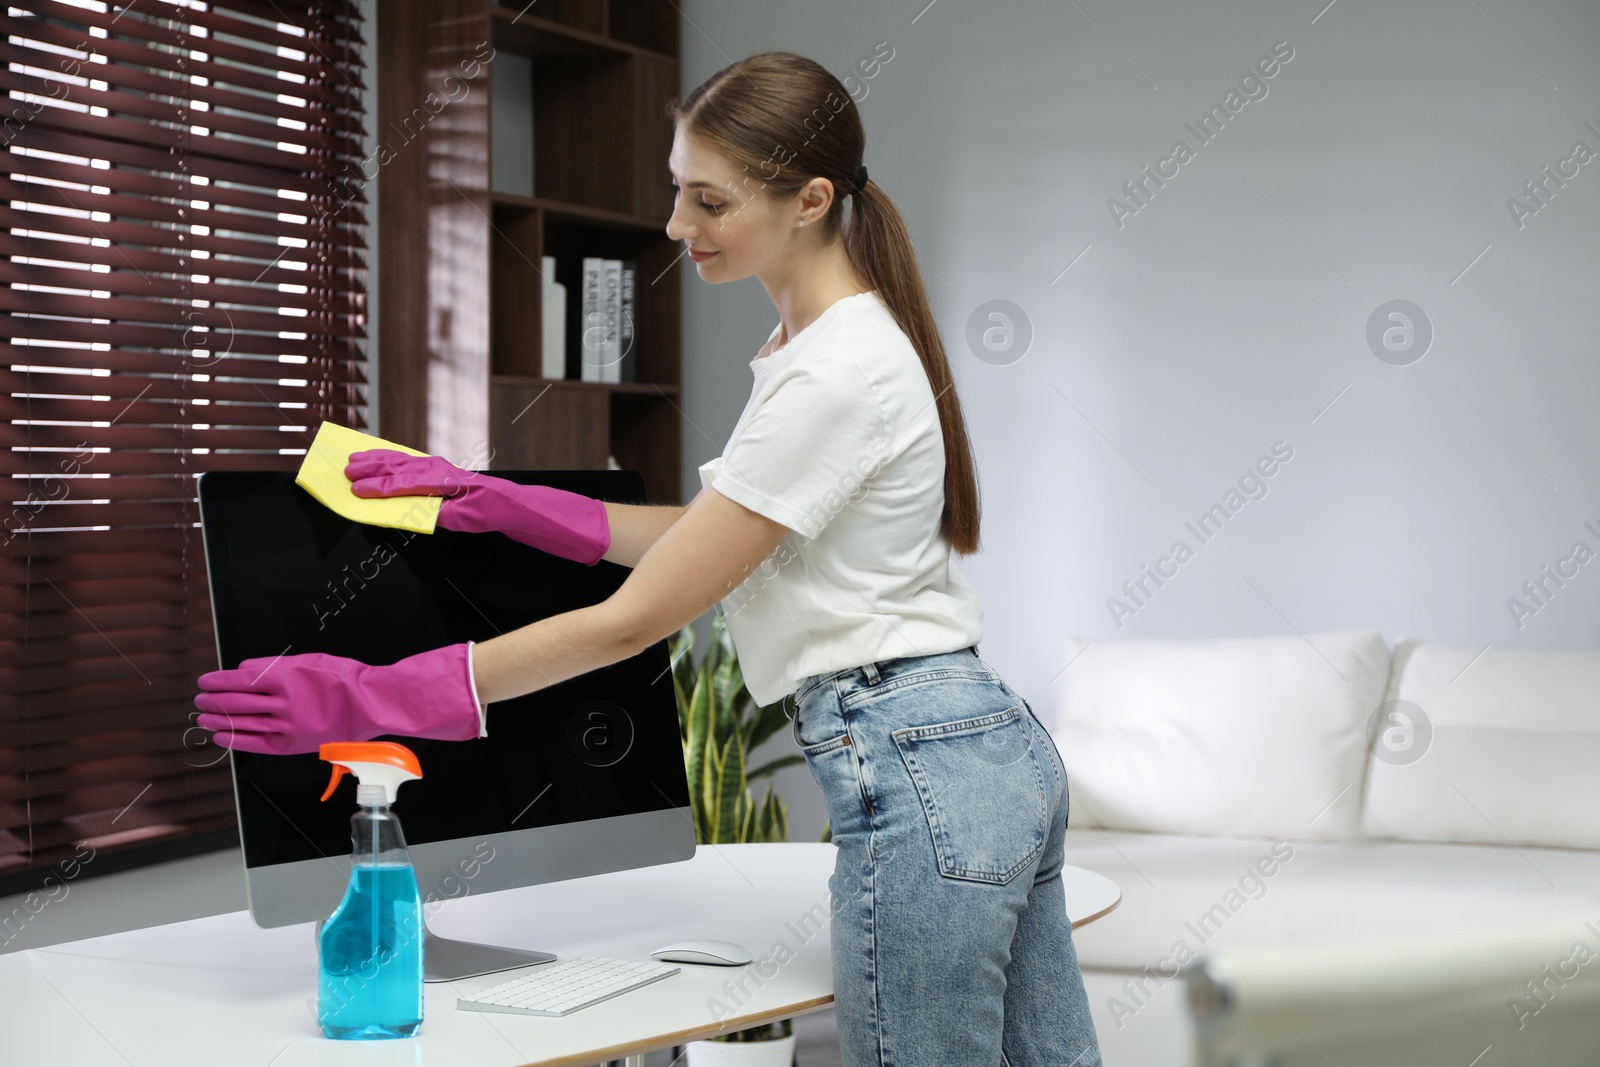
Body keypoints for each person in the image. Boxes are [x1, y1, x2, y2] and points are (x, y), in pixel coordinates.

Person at [193, 49, 1100, 1067]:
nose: (677, 226)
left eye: (708, 201)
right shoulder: (826, 345)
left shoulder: (834, 372)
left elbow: (635, 617)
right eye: (675, 189)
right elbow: (717, 532)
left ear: (808, 200)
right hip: (974, 743)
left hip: (916, 751)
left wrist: (372, 697)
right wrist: (497, 502)